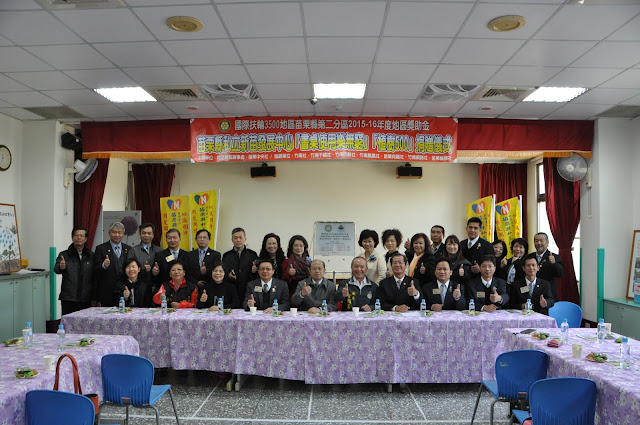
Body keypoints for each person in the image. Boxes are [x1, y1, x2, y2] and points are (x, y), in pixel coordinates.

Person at [54, 226, 95, 315]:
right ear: (72, 238)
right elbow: (56, 269)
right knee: (68, 321)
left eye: (82, 235)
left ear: (86, 239)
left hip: (86, 298)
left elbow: (95, 274)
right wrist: (61, 267)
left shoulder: (91, 256)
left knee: (84, 321)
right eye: (76, 235)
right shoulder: (64, 255)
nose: (79, 237)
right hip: (69, 297)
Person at [93, 222, 131, 307]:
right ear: (109, 233)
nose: (117, 235)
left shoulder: (128, 249)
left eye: (119, 232)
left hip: (124, 291)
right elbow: (95, 269)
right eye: (114, 232)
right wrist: (104, 265)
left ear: (123, 234)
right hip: (107, 292)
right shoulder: (101, 249)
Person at [222, 227, 258, 300]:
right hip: (231, 289)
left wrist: (254, 271)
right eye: (235, 238)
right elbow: (222, 271)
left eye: (240, 237)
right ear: (232, 240)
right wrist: (228, 275)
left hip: (247, 289)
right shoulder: (226, 255)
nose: (238, 240)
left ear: (245, 239)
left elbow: (256, 275)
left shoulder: (252, 254)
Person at [127, 222, 163, 291]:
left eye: (149, 233)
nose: (146, 235)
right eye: (144, 233)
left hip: (157, 287)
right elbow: (129, 269)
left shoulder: (159, 250)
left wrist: (157, 271)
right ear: (140, 234)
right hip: (139, 287)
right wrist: (143, 269)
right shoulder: (133, 251)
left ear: (153, 235)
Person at [533, 232, 564, 301]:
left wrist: (554, 263)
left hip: (549, 295)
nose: (539, 243)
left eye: (541, 240)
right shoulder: (530, 257)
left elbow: (560, 274)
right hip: (533, 295)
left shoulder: (555, 257)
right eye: (536, 241)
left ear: (547, 242)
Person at [501, 238, 528, 307]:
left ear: (525, 249)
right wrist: (502, 266)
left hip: (520, 291)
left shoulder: (527, 262)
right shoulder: (508, 261)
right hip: (508, 290)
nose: (518, 249)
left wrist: (516, 262)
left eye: (521, 247)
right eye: (515, 246)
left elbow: (523, 275)